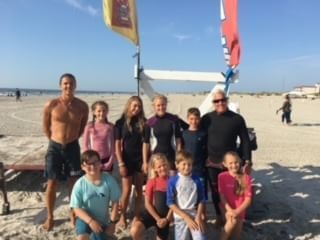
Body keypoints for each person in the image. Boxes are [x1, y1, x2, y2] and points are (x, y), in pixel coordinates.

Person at [42, 73, 89, 231]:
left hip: (73, 147)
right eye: (65, 83)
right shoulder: (52, 104)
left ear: (76, 85)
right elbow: (46, 126)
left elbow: (82, 127)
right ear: (60, 86)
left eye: (71, 83)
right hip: (54, 147)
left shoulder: (82, 106)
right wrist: (55, 140)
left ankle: (73, 214)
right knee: (52, 182)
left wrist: (71, 139)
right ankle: (50, 216)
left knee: (73, 183)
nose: (68, 86)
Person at [200, 89, 251, 226]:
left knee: (232, 190)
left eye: (222, 100)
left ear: (227, 100)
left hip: (231, 164)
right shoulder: (207, 118)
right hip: (211, 162)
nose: (220, 103)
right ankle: (219, 215)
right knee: (216, 191)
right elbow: (197, 134)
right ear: (213, 103)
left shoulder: (237, 119)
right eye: (216, 101)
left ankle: (234, 214)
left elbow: (245, 140)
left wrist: (247, 160)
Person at [70, 150, 121, 240]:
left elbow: (115, 203)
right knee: (82, 238)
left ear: (100, 163)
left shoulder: (109, 180)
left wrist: (112, 223)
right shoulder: (80, 184)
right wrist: (91, 221)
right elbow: (76, 208)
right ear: (83, 167)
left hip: (102, 221)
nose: (92, 166)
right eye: (88, 164)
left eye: (95, 162)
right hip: (85, 219)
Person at [114, 96, 147, 230]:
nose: (136, 108)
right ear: (128, 105)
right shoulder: (120, 122)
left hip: (139, 160)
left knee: (139, 190)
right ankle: (122, 216)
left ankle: (137, 215)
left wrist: (145, 162)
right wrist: (121, 163)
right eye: (134, 105)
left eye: (139, 106)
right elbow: (117, 145)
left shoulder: (144, 122)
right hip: (126, 160)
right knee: (126, 191)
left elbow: (145, 144)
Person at [130, 153, 173, 240]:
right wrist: (157, 219)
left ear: (167, 165)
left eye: (164, 165)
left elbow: (174, 203)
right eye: (159, 166)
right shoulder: (152, 181)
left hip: (165, 218)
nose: (162, 168)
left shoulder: (172, 181)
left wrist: (167, 219)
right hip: (152, 214)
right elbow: (147, 204)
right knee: (135, 230)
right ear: (155, 169)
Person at [167, 150, 207, 240]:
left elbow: (201, 199)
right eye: (184, 164)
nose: (187, 167)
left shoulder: (197, 180)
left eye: (189, 164)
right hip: (180, 216)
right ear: (177, 164)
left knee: (200, 237)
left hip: (194, 214)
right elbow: (170, 203)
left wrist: (198, 216)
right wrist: (186, 217)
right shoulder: (173, 181)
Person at [144, 95, 182, 175]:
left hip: (171, 156)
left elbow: (178, 139)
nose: (161, 107)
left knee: (171, 184)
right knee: (157, 184)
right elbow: (146, 143)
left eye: (163, 105)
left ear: (166, 105)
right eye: (158, 105)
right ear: (154, 106)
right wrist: (145, 162)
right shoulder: (150, 122)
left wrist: (179, 157)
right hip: (155, 157)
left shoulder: (173, 120)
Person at [218, 151, 253, 240]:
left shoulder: (246, 178)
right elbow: (222, 196)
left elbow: (248, 200)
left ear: (240, 162)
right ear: (224, 164)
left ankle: (225, 232)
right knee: (232, 221)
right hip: (226, 209)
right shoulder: (221, 176)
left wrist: (237, 211)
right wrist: (230, 211)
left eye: (236, 162)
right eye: (230, 163)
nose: (234, 165)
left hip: (240, 211)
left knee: (235, 237)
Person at [83, 101, 115, 172]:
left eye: (104, 111)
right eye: (99, 111)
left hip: (107, 159)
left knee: (106, 182)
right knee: (94, 182)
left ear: (107, 112)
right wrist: (89, 160)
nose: (101, 113)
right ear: (94, 112)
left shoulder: (110, 127)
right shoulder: (89, 126)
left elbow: (113, 146)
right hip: (93, 160)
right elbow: (85, 146)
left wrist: (110, 161)